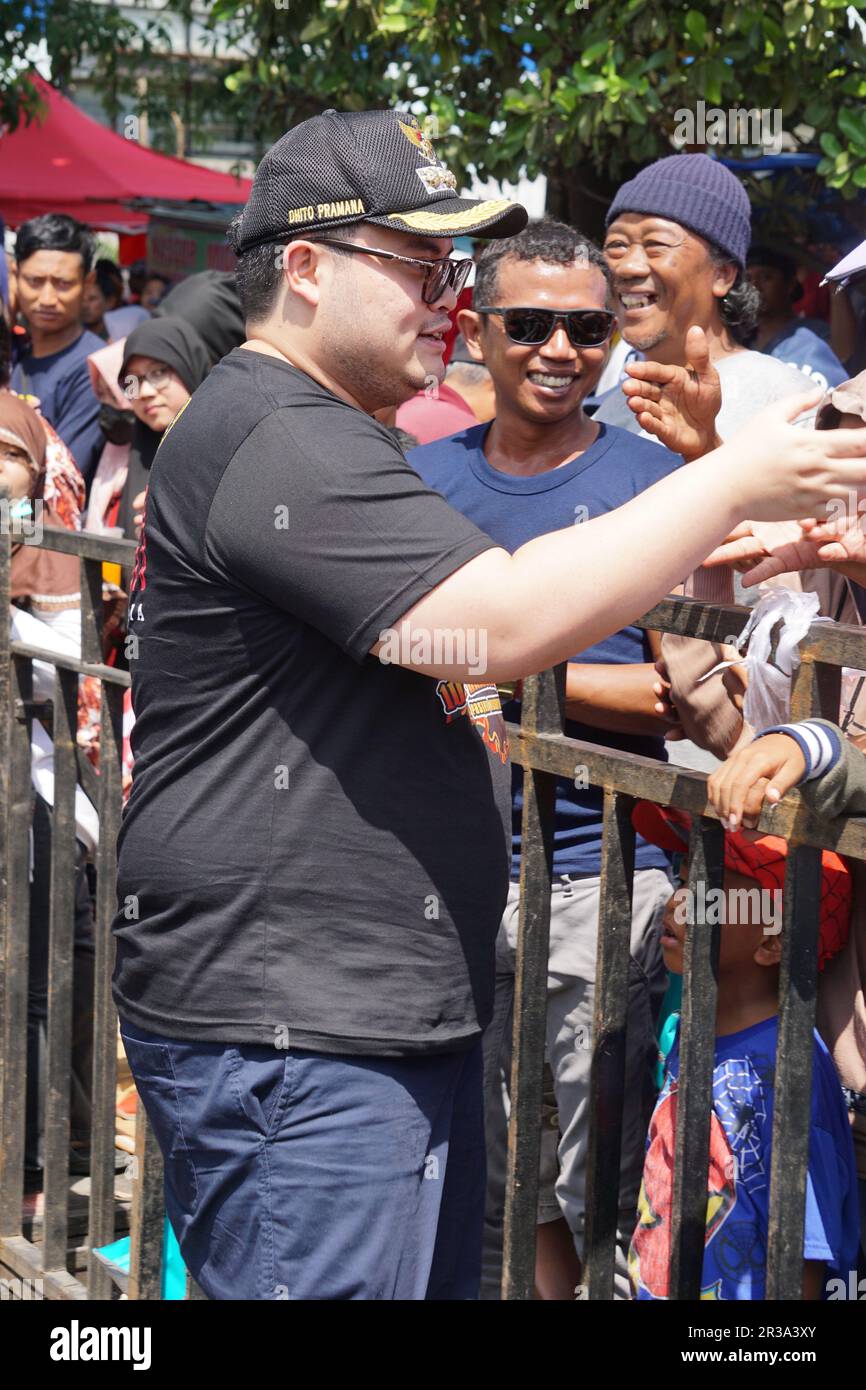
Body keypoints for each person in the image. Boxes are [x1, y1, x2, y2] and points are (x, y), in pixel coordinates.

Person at [108, 106, 866, 1303]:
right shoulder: (277, 433)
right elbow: (501, 623)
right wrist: (730, 476)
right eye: (418, 264)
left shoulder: (315, 430)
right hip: (302, 1035)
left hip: (355, 1020)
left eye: (454, 269)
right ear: (302, 270)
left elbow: (469, 647)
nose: (446, 297)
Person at [409, 218, 682, 1299]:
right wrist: (486, 670)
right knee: (504, 1176)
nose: (558, 349)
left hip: (599, 879)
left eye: (584, 327)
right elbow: (404, 645)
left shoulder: (650, 478)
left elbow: (668, 690)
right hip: (453, 872)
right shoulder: (422, 479)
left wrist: (499, 658)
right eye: (529, 325)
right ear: (478, 330)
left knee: (601, 1182)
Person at [627, 798, 859, 1300]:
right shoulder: (692, 1026)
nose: (676, 903)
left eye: (705, 892)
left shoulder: (788, 1073)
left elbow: (802, 1261)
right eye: (682, 877)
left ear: (772, 944)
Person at [10, 214, 104, 490]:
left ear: (88, 283)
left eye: (63, 284)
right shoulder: (14, 352)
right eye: (35, 281)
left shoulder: (93, 370)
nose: (48, 299)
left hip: (35, 528)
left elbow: (60, 481)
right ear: (15, 275)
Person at [114, 317, 211, 541]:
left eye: (158, 373)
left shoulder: (225, 447)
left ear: (189, 367)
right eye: (133, 380)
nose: (145, 391)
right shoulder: (133, 447)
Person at [747, 245, 847, 390]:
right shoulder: (741, 340)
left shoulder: (814, 333)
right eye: (748, 278)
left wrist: (836, 284)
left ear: (790, 285)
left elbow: (843, 352)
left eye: (766, 277)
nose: (755, 286)